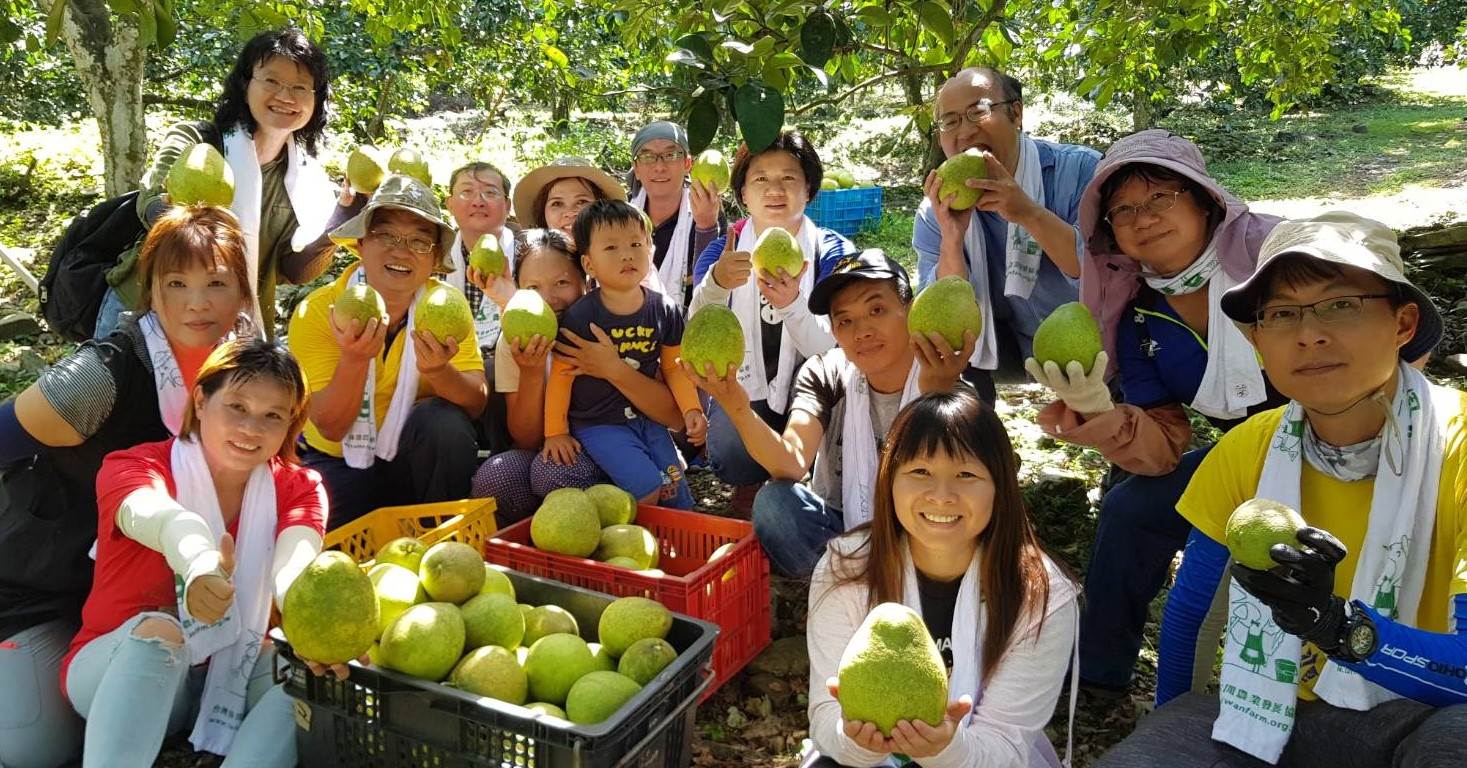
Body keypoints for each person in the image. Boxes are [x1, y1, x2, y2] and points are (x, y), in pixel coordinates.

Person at [1097, 213, 1467, 767]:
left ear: (1403, 322)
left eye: (1340, 304)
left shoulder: (1458, 448)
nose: (1308, 334)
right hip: (1276, 715)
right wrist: (1172, 732)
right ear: (1256, 340)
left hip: (1416, 719)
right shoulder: (1249, 449)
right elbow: (1195, 612)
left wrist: (1340, 628)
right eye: (1282, 314)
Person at [1028, 130, 1286, 697]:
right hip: (1246, 457)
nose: (1143, 218)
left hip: (1348, 445)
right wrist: (1099, 411)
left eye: (1160, 197)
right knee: (1130, 508)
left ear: (1203, 200)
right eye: (1123, 210)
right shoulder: (1140, 315)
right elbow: (1164, 447)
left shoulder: (1277, 259)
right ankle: (1097, 676)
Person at [0, 206, 253, 768]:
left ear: (243, 291)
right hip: (50, 583)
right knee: (33, 747)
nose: (197, 303)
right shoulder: (102, 374)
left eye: (217, 283)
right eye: (177, 283)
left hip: (160, 594)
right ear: (149, 289)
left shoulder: (254, 373)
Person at [64, 338, 343, 768]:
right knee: (161, 630)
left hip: (231, 670)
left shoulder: (299, 487)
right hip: (113, 669)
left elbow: (294, 569)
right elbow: (161, 519)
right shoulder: (136, 466)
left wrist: (319, 632)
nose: (251, 429)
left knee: (310, 679)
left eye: (273, 415)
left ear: (291, 423)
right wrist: (198, 565)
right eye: (237, 406)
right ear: (200, 401)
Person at [803, 389, 1079, 767]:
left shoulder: (1040, 596)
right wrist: (859, 742)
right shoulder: (848, 568)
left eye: (966, 474)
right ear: (889, 479)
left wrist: (946, 749)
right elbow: (825, 718)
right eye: (920, 472)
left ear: (1000, 486)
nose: (942, 496)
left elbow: (1005, 744)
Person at [686, 250, 975, 578]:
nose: (861, 331)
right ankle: (862, 584)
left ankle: (869, 583)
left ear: (910, 311)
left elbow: (962, 494)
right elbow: (791, 462)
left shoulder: (945, 379)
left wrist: (936, 397)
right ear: (834, 332)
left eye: (876, 310)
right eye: (845, 320)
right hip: (841, 527)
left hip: (925, 529)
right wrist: (736, 406)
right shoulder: (827, 372)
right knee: (775, 505)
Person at [98, 28, 357, 339]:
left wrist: (342, 218)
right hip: (144, 312)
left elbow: (295, 270)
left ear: (316, 100)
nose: (285, 96)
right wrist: (183, 217)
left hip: (231, 327)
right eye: (272, 81)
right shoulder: (198, 141)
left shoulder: (306, 180)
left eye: (300, 87)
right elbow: (151, 203)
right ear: (245, 85)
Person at [287, 175, 486, 528]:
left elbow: (475, 403)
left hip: (411, 458)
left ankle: (443, 539)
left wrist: (440, 371)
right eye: (386, 235)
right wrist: (354, 359)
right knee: (330, 539)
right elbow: (330, 426)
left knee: (444, 423)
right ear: (361, 243)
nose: (401, 251)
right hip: (338, 459)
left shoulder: (445, 305)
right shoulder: (319, 311)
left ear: (434, 259)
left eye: (419, 241)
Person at [687, 131, 854, 509]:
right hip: (746, 385)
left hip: (817, 387)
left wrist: (793, 305)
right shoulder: (722, 253)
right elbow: (696, 329)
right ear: (743, 193)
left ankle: (816, 477)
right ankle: (749, 479)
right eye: (760, 178)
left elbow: (839, 352)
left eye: (789, 178)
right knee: (730, 450)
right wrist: (717, 284)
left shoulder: (833, 254)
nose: (775, 190)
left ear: (809, 189)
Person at [914, 67, 1101, 403]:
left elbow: (1104, 272)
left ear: (1016, 113)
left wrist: (1028, 212)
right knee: (943, 353)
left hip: (1094, 336)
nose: (965, 131)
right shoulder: (936, 211)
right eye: (950, 121)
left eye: (978, 112)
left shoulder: (1080, 172)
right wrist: (952, 239)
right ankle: (979, 432)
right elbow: (942, 314)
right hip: (1004, 346)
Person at [542, 200, 705, 509]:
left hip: (648, 420)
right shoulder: (581, 317)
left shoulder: (664, 310)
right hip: (599, 424)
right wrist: (555, 432)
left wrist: (691, 409)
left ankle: (679, 538)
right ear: (589, 264)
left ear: (649, 250)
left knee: (675, 486)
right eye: (611, 247)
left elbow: (674, 368)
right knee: (646, 487)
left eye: (635, 244)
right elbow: (562, 376)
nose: (627, 254)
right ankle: (636, 536)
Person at [470, 229, 609, 526]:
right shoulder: (515, 339)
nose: (549, 299)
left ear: (585, 281)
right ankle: (536, 536)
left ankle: (593, 531)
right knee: (496, 477)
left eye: (562, 283)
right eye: (533, 288)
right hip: (544, 453)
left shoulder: (605, 326)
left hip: (611, 452)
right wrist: (531, 373)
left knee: (553, 473)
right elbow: (526, 439)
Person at [443, 161, 517, 450]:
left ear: (507, 205)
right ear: (449, 203)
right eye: (467, 192)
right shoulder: (432, 255)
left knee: (496, 371)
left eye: (490, 192)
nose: (478, 201)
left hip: (509, 367)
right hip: (447, 362)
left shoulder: (531, 253)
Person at [626, 121, 726, 307]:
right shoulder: (621, 217)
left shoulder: (707, 212)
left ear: (687, 163)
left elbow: (711, 286)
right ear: (636, 168)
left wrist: (706, 228)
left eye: (670, 155)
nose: (659, 167)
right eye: (647, 156)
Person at [511, 156, 626, 241]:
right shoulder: (529, 263)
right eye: (557, 203)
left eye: (581, 202)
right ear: (543, 214)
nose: (570, 213)